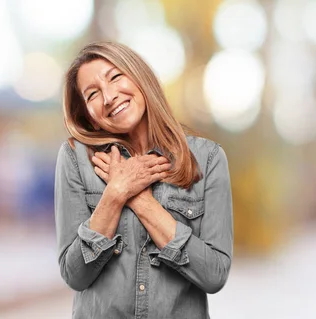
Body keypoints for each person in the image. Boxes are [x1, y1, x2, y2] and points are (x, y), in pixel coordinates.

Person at [55, 41, 233, 318]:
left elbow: (214, 274)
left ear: (140, 77)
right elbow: (74, 275)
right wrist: (115, 194)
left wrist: (138, 198)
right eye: (92, 94)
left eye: (115, 77)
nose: (109, 96)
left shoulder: (208, 158)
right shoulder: (75, 159)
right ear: (88, 116)